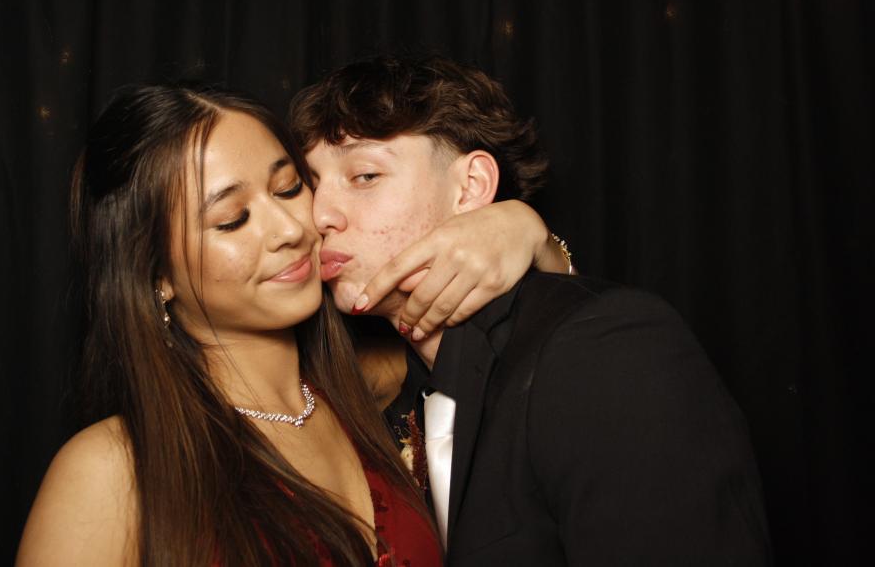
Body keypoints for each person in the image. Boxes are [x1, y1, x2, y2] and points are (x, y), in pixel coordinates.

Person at [15, 82, 565, 566]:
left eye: (288, 188)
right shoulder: (109, 470)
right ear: (156, 274)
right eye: (232, 219)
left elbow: (532, 371)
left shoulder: (380, 394)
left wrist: (531, 234)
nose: (292, 229)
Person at [290, 54, 773, 565]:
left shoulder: (605, 349)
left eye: (364, 175)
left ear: (471, 186)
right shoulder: (383, 398)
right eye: (312, 184)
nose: (319, 216)